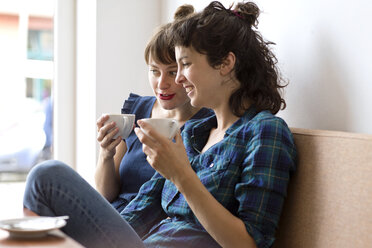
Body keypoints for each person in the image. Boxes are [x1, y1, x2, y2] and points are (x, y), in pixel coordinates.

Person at [23, 2, 296, 248]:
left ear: (225, 63)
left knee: (50, 176)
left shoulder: (265, 132)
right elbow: (138, 214)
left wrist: (182, 176)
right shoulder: (192, 134)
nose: (177, 80)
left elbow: (251, 243)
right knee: (45, 179)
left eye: (185, 65)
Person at [94, 4, 212, 213]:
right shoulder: (137, 110)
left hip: (149, 226)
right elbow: (105, 196)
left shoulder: (208, 125)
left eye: (172, 72)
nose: (162, 83)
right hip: (113, 216)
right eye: (154, 71)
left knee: (47, 175)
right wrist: (105, 154)